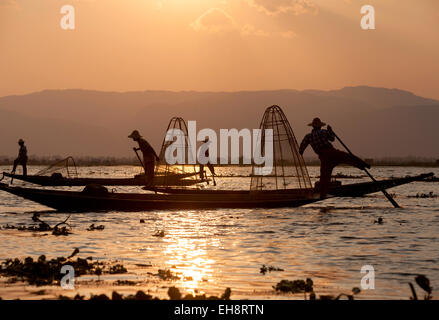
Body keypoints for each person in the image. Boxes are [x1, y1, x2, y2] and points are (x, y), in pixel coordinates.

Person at [299, 118, 370, 198]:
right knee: (348, 157)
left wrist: (301, 152)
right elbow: (332, 139)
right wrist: (330, 131)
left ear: (313, 127)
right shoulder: (323, 132)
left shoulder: (308, 136)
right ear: (320, 127)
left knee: (324, 177)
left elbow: (302, 147)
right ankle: (363, 165)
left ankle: (323, 194)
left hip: (324, 158)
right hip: (332, 153)